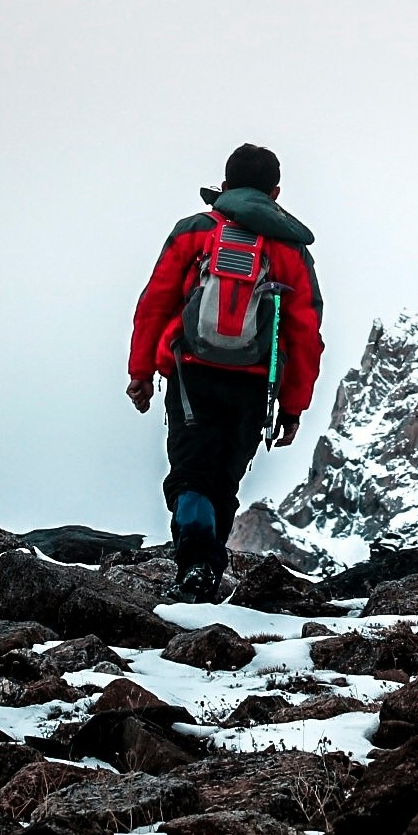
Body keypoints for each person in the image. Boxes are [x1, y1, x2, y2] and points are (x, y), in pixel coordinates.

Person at [126, 143, 324, 600]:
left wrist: (140, 372)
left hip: (189, 370)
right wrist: (292, 407)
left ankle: (195, 566)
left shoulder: (195, 231)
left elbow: (154, 303)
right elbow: (305, 332)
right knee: (224, 479)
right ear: (275, 191)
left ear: (225, 184)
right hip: (254, 380)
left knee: (191, 470)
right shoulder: (290, 248)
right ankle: (205, 568)